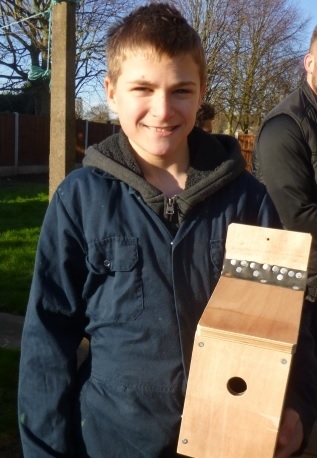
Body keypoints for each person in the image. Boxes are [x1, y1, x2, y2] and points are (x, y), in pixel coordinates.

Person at [18, 4, 316, 457]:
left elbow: (290, 321)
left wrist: (298, 403)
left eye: (181, 90)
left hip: (228, 440)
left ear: (200, 94)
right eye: (143, 88)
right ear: (112, 92)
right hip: (113, 439)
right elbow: (47, 336)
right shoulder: (80, 199)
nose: (162, 109)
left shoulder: (249, 200)